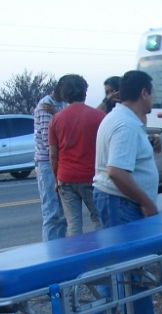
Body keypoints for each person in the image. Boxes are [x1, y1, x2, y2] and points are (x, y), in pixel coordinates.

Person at [84, 70, 159, 314]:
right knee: (126, 269)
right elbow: (116, 172)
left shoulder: (121, 119)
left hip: (117, 201)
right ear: (143, 93)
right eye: (151, 93)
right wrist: (146, 201)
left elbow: (125, 163)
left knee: (128, 268)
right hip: (120, 203)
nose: (153, 100)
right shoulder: (125, 125)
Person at [48, 75, 104, 236]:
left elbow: (53, 154)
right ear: (85, 93)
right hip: (92, 177)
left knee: (73, 224)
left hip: (66, 177)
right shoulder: (98, 116)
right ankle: (104, 256)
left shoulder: (56, 120)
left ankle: (75, 256)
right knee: (99, 219)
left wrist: (56, 179)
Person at [33, 77, 69, 241]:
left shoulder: (60, 106)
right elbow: (49, 142)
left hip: (59, 161)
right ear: (60, 89)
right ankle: (51, 253)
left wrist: (57, 112)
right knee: (53, 213)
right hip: (48, 163)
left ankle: (61, 251)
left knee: (62, 214)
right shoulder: (45, 106)